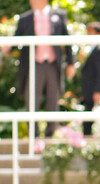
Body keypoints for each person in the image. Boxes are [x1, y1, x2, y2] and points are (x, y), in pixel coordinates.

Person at [14, 0, 75, 137]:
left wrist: (70, 63)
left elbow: (67, 40)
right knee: (32, 100)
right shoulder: (25, 18)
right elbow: (16, 40)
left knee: (53, 99)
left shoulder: (58, 15)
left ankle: (50, 134)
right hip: (34, 64)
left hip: (53, 64)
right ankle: (34, 135)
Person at [80, 22, 100, 136]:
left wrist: (97, 91)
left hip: (97, 92)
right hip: (91, 91)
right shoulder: (94, 49)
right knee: (89, 121)